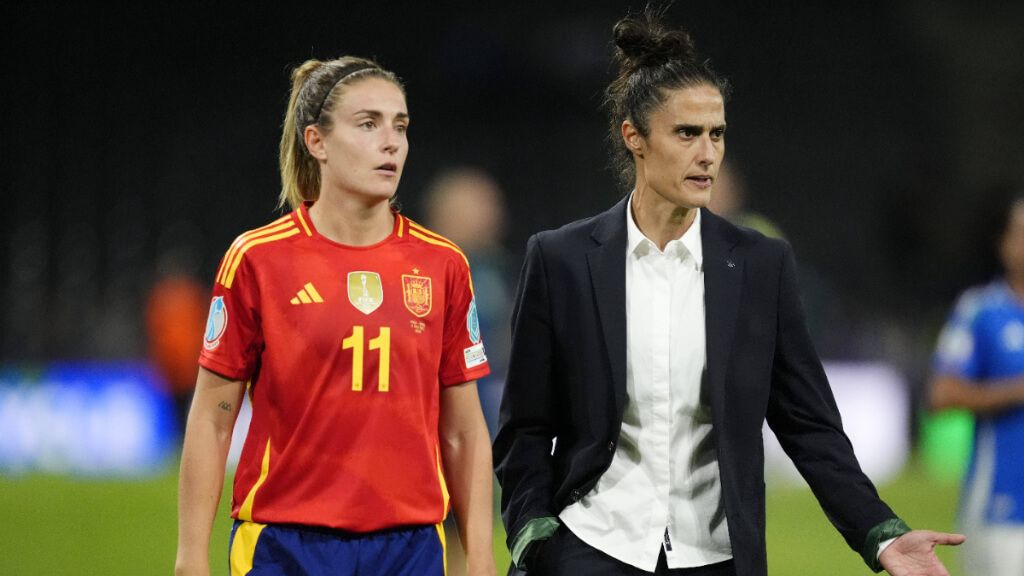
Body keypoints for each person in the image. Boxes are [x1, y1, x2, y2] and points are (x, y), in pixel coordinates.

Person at [492, 8, 963, 576]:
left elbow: (807, 423)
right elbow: (525, 427)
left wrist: (881, 533)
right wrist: (531, 533)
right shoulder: (561, 259)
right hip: (593, 547)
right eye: (686, 133)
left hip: (715, 557)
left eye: (716, 134)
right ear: (634, 138)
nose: (708, 153)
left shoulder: (762, 264)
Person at [175, 56, 496, 576]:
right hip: (284, 547)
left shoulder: (444, 265)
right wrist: (191, 557)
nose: (391, 142)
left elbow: (463, 430)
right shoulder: (258, 259)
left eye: (401, 126)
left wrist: (479, 556)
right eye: (368, 124)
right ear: (316, 142)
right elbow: (213, 419)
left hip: (410, 549)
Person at [929, 195, 1024, 576]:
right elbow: (942, 393)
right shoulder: (981, 310)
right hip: (1000, 507)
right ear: (1003, 244)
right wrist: (1017, 390)